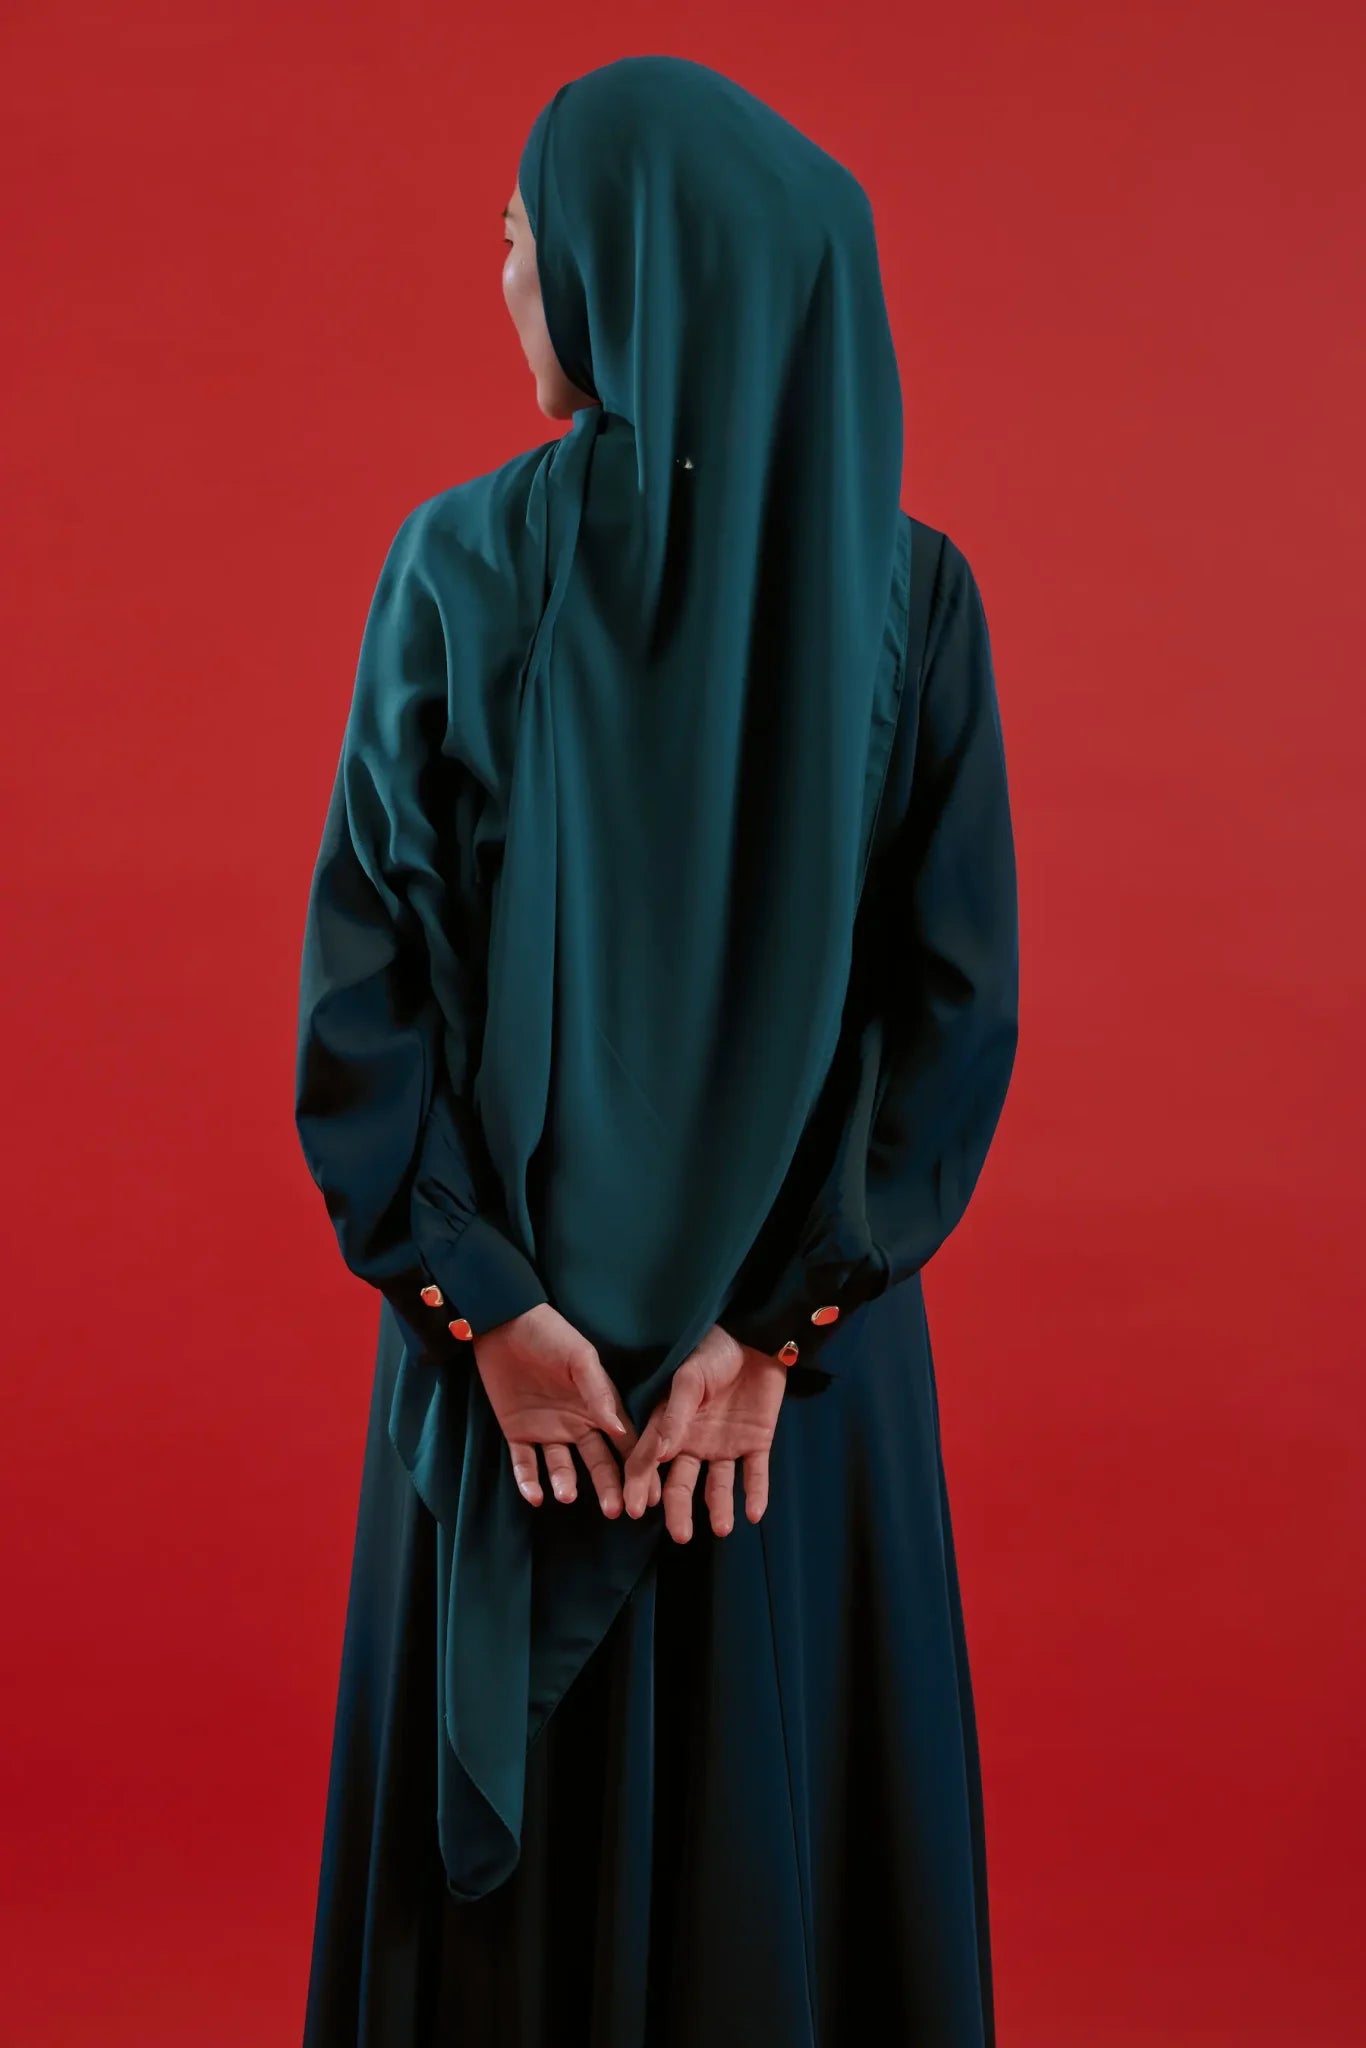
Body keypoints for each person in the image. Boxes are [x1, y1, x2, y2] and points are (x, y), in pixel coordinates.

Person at [294, 52, 1018, 2048]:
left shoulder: (456, 567)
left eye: (522, 241)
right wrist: (774, 1330)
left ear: (631, 268)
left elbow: (362, 995)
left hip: (512, 1398)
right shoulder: (911, 597)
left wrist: (487, 1306)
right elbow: (948, 1015)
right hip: (784, 1415)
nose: (506, 285)